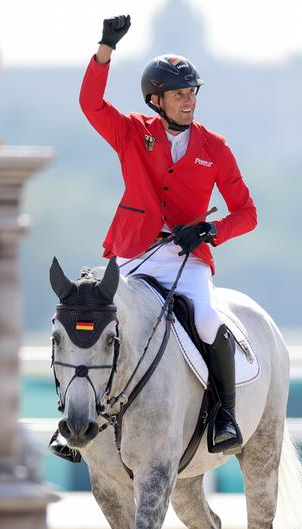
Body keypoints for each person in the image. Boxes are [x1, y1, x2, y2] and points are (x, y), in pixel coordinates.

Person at [49, 14, 257, 461]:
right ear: (155, 100)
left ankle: (224, 416)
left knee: (207, 320)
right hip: (134, 251)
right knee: (91, 313)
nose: (189, 101)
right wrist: (105, 49)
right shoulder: (132, 132)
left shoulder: (215, 148)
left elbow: (248, 213)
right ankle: (70, 421)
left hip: (186, 260)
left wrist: (210, 229)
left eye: (192, 92)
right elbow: (90, 104)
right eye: (179, 94)